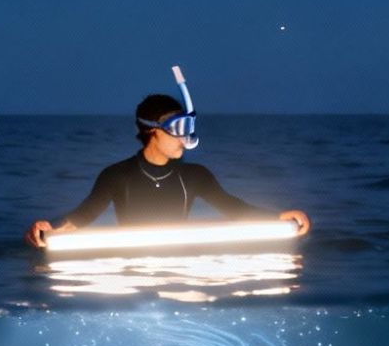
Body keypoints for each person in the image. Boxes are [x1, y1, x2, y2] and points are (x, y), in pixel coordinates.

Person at [26, 75, 311, 247]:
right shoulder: (116, 176)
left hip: (178, 267)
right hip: (131, 268)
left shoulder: (196, 176)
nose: (184, 139)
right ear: (151, 130)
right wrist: (47, 231)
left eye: (189, 130)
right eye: (177, 130)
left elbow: (233, 208)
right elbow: (82, 217)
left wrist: (277, 218)